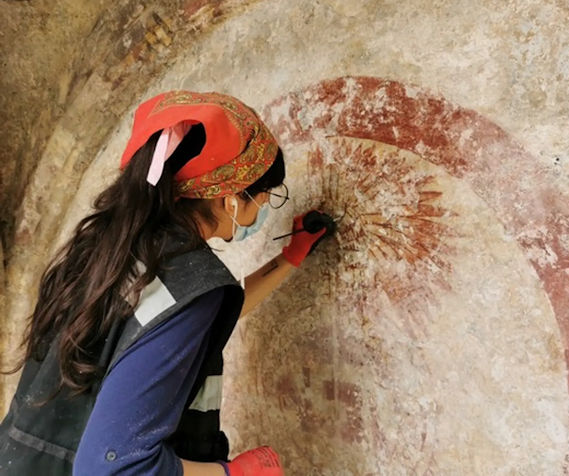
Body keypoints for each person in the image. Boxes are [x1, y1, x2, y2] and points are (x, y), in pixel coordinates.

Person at [0, 91, 332, 475]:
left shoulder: (106, 248)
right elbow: (112, 469)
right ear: (230, 199)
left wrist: (288, 259)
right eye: (263, 196)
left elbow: (166, 326)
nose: (261, 210)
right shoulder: (188, 285)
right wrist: (231, 473)